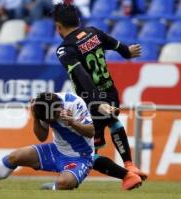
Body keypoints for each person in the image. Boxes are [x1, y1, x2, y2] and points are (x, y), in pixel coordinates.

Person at [0, 92, 142, 190]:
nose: (54, 119)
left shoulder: (74, 102)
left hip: (81, 157)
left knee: (65, 183)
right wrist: (34, 117)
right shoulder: (42, 108)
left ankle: (56, 186)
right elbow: (41, 136)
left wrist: (71, 121)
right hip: (55, 150)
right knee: (15, 157)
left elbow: (91, 132)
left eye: (54, 116)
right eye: (51, 119)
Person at [52, 3, 147, 180]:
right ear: (78, 20)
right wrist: (128, 52)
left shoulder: (65, 49)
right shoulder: (93, 32)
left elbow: (81, 75)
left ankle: (127, 176)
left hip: (91, 101)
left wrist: (97, 102)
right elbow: (121, 48)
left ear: (58, 26)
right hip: (111, 93)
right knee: (113, 122)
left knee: (87, 154)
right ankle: (130, 164)